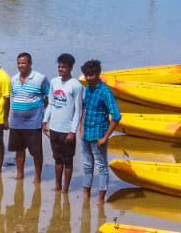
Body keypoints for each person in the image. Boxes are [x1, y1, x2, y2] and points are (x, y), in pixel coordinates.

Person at [78, 59, 122, 198]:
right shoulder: (88, 90)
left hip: (99, 135)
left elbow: (116, 116)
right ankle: (86, 195)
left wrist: (105, 137)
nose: (88, 78)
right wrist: (81, 127)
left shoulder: (105, 92)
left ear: (98, 74)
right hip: (86, 134)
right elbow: (85, 108)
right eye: (86, 75)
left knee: (102, 167)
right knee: (87, 165)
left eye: (91, 75)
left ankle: (100, 199)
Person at [43, 51, 84, 193]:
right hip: (54, 128)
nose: (61, 69)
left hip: (67, 131)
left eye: (64, 67)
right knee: (57, 159)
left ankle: (66, 188)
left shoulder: (76, 86)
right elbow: (50, 103)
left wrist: (73, 131)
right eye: (59, 67)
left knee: (68, 161)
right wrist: (44, 120)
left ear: (71, 68)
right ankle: (57, 185)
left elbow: (78, 110)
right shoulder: (54, 82)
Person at [6, 51, 50, 181]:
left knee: (36, 152)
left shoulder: (40, 78)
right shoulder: (13, 79)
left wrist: (42, 113)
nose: (21, 65)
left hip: (34, 122)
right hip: (16, 122)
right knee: (19, 150)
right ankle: (20, 174)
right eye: (19, 63)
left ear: (30, 64)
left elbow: (49, 97)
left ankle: (37, 177)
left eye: (23, 63)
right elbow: (15, 96)